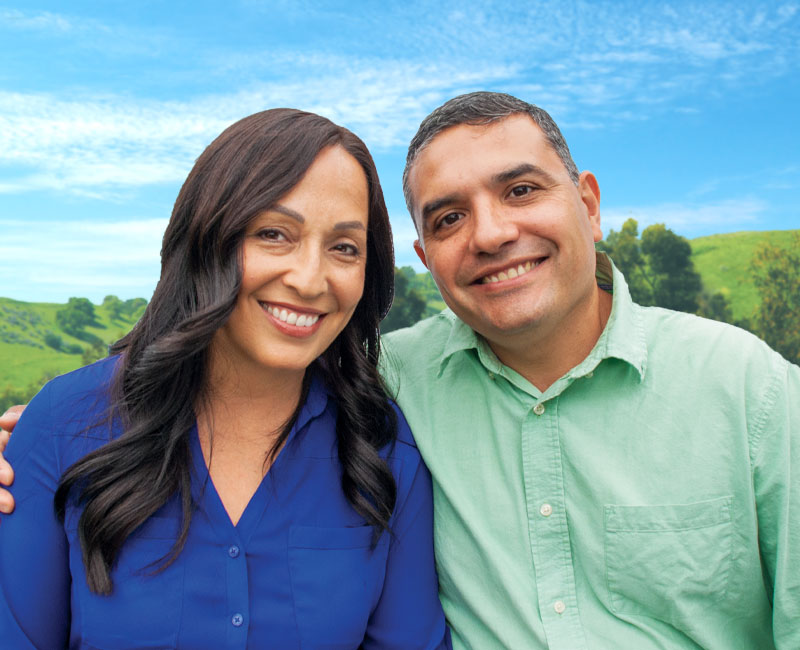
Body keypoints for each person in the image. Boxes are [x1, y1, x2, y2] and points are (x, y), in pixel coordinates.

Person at [2, 91, 798, 649]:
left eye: (521, 189)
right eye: (449, 217)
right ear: (424, 256)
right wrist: (33, 436)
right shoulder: (392, 391)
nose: (490, 233)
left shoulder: (749, 391)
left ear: (588, 203)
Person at [0, 108, 450, 649]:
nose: (310, 280)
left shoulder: (385, 450)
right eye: (273, 234)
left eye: (344, 248)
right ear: (206, 236)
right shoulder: (60, 426)